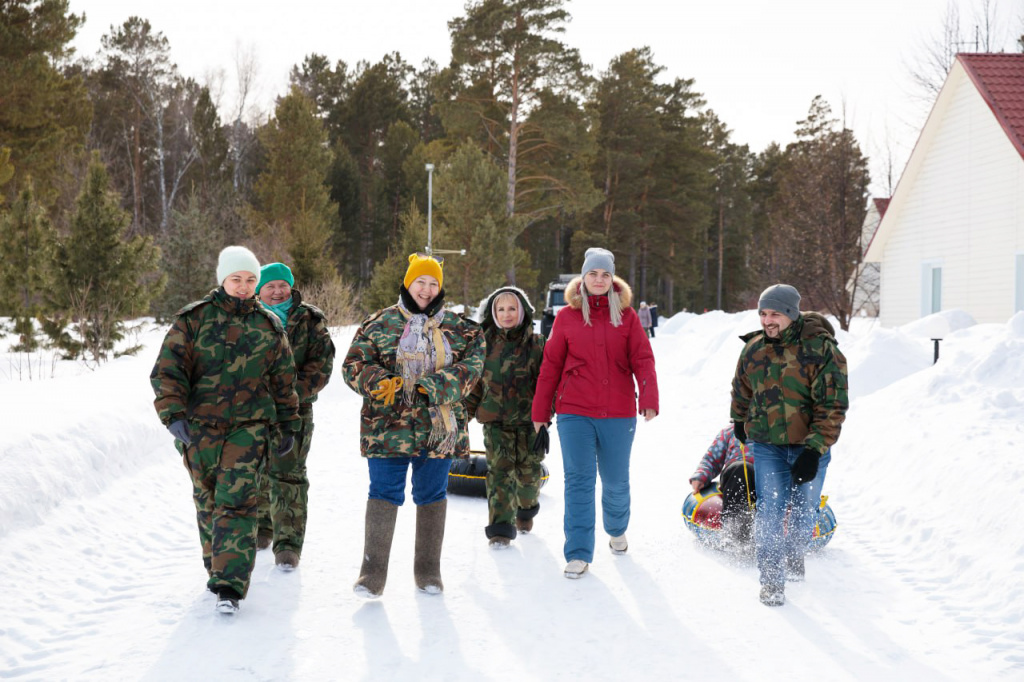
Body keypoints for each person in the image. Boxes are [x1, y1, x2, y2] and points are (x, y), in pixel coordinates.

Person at [150, 245, 300, 614]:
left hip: (249, 429)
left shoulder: (269, 325)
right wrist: (173, 416)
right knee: (208, 500)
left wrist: (288, 424)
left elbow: (283, 381)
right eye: (237, 279)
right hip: (200, 428)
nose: (245, 286)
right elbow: (167, 372)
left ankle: (229, 586)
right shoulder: (193, 320)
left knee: (238, 502)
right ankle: (215, 566)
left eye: (251, 280)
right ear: (223, 280)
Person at [342, 253, 484, 597]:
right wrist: (380, 382)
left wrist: (430, 388)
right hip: (386, 428)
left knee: (432, 494)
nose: (426, 288)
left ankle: (428, 571)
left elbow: (472, 368)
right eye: (420, 281)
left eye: (433, 283)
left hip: (439, 431)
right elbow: (353, 365)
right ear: (408, 282)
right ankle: (371, 574)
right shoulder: (378, 323)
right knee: (383, 493)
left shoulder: (461, 328)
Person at [532, 247, 659, 579]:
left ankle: (617, 528)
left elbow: (643, 359)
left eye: (605, 274)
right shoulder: (566, 317)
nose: (599, 280)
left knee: (616, 481)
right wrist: (540, 411)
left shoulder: (628, 317)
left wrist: (648, 396)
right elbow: (551, 366)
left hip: (618, 411)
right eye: (593, 274)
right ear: (583, 278)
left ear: (612, 278)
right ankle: (577, 552)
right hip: (574, 410)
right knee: (578, 481)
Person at [730, 283, 848, 607]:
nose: (768, 320)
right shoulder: (753, 349)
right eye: (763, 313)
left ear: (792, 315)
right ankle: (771, 581)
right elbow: (741, 387)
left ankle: (795, 555)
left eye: (775, 314)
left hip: (810, 447)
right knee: (769, 512)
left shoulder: (820, 350)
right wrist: (738, 419)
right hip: (768, 445)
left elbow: (833, 405)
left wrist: (814, 449)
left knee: (805, 511)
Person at [253, 262, 336, 571]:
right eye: (270, 286)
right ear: (260, 290)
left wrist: (290, 396)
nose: (277, 291)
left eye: (283, 285)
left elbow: (321, 365)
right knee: (256, 470)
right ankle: (261, 527)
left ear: (291, 287)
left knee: (289, 473)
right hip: (255, 411)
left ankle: (287, 545)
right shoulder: (248, 317)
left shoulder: (310, 320)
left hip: (296, 411)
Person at [465, 286, 546, 549]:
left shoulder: (537, 344)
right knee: (499, 473)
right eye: (501, 309)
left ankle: (526, 509)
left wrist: (547, 414)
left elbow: (548, 383)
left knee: (528, 474)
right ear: (493, 312)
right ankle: (500, 528)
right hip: (495, 422)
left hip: (530, 423)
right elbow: (475, 384)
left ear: (522, 311)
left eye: (512, 308)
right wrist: (463, 416)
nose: (507, 314)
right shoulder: (483, 344)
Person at [689, 424, 756, 545]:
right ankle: (736, 528)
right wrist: (701, 476)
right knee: (741, 469)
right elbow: (711, 459)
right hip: (735, 478)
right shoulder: (729, 432)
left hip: (767, 479)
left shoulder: (779, 431)